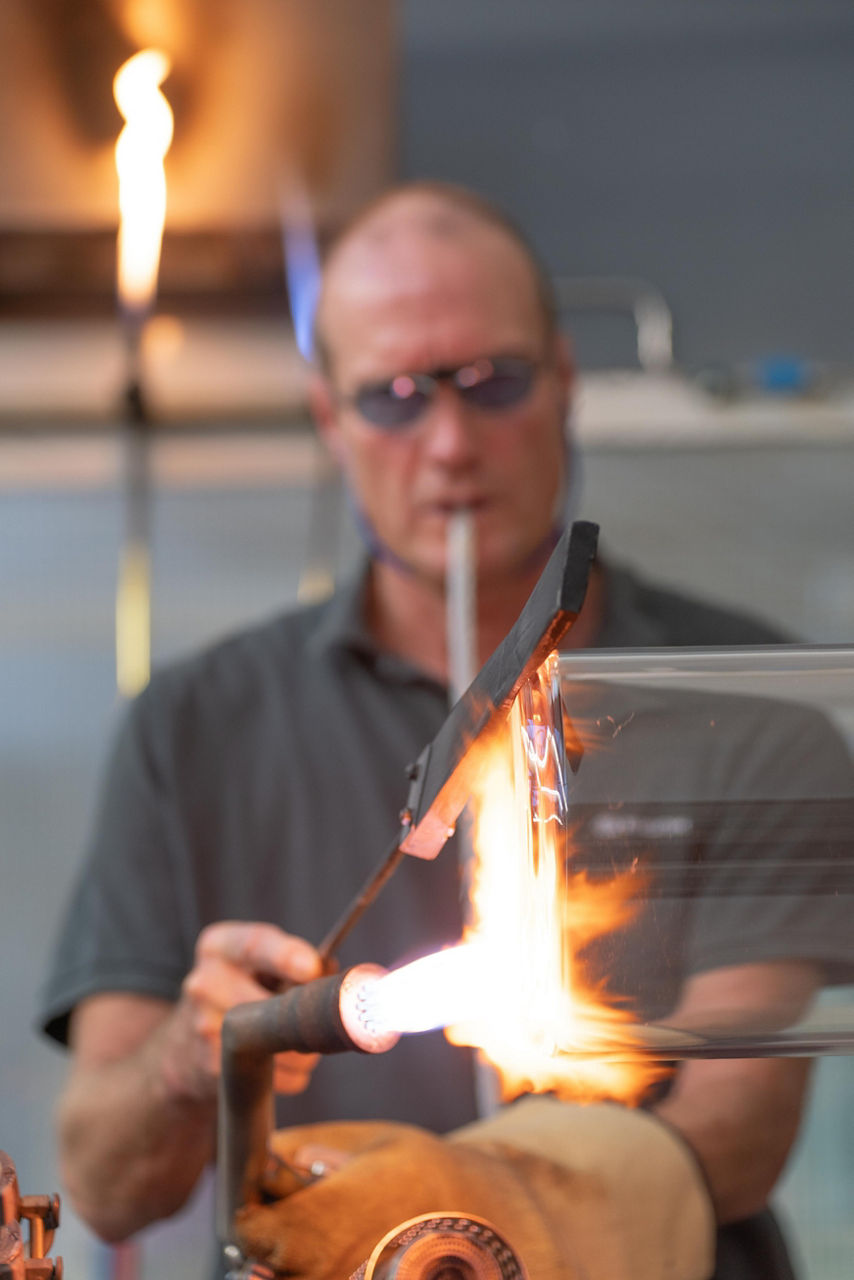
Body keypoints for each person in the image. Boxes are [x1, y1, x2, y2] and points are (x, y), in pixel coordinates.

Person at [38, 182, 849, 1279]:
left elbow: (737, 1128)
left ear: (564, 380)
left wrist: (467, 1209)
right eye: (395, 396)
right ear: (329, 418)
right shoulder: (194, 727)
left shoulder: (749, 704)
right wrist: (193, 1059)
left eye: (492, 383)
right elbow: (103, 1180)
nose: (450, 442)